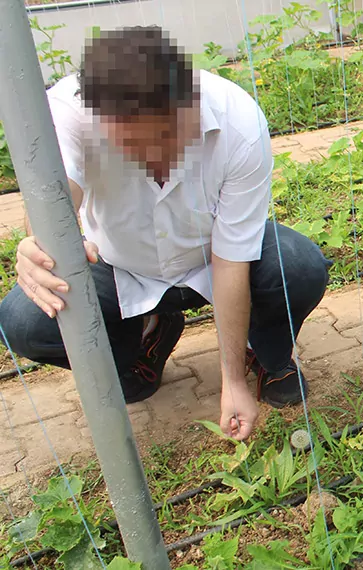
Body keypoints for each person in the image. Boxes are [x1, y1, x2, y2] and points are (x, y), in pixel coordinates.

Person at [0, 27, 331, 441]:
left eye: (168, 136)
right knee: (25, 319)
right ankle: (144, 340)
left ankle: (266, 355)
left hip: (214, 258)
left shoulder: (238, 122)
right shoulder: (67, 112)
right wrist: (42, 241)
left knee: (299, 268)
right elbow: (55, 194)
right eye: (134, 146)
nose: (157, 158)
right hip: (119, 266)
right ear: (101, 121)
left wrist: (232, 383)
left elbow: (231, 257)